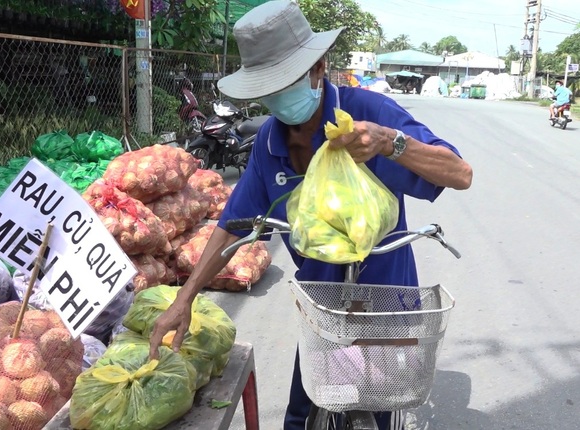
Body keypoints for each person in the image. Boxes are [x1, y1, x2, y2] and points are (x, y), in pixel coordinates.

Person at [148, 1, 473, 429]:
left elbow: (460, 173)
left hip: (385, 296)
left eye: (284, 82)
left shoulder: (368, 113)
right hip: (323, 306)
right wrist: (184, 298)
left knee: (381, 401)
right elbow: (233, 226)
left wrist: (390, 142)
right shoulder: (268, 142)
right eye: (267, 88)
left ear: (319, 68)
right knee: (301, 416)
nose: (278, 97)